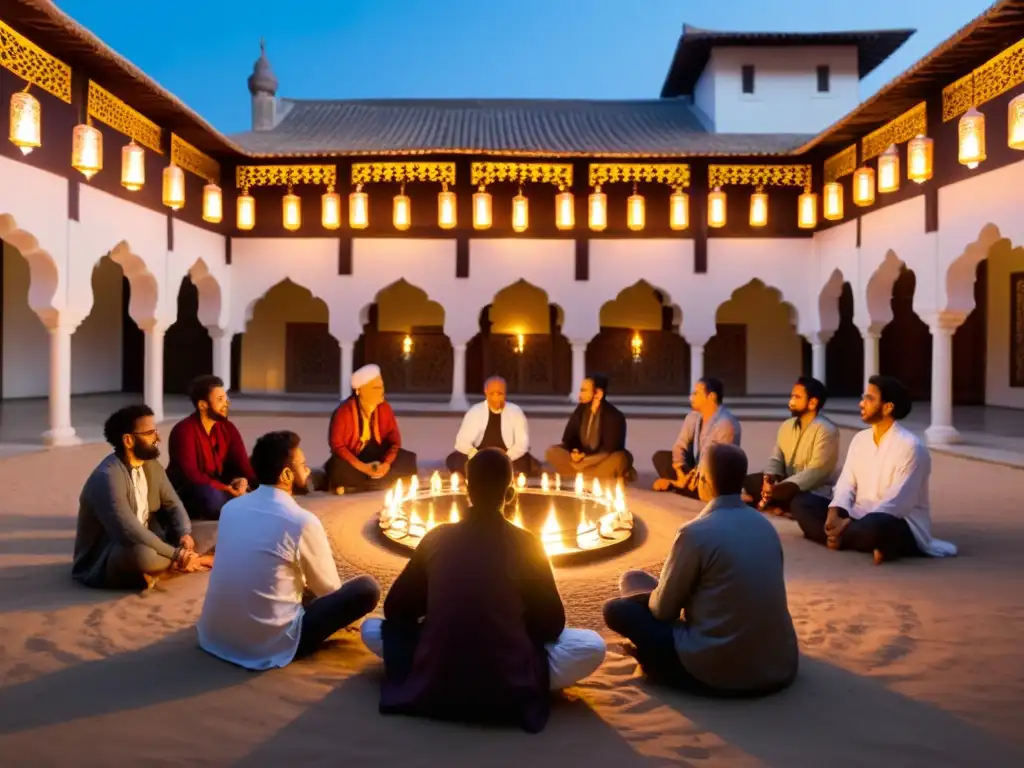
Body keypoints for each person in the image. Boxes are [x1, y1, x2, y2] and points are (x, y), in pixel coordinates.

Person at [361, 448, 606, 733]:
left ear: (467, 489)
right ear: (511, 493)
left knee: (372, 629)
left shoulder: (435, 537)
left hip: (439, 673)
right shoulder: (529, 543)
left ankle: (440, 665)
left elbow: (396, 610)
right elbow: (552, 625)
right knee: (591, 646)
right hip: (508, 676)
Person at [604, 443, 798, 697]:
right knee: (634, 579)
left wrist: (648, 597)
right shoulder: (765, 526)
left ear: (704, 481)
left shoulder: (695, 532)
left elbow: (663, 612)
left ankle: (663, 667)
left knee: (616, 609)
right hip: (777, 664)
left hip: (716, 670)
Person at [197, 430, 380, 669]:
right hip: (267, 644)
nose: (307, 470)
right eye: (302, 465)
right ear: (286, 474)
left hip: (215, 634)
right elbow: (329, 591)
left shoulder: (231, 508)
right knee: (366, 588)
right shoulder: (301, 521)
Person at [789, 375, 957, 565]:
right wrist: (834, 513)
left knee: (877, 527)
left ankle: (841, 537)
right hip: (855, 516)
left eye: (869, 399)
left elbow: (897, 503)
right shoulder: (860, 439)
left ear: (887, 407)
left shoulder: (911, 447)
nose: (862, 404)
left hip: (896, 522)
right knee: (801, 503)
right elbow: (846, 483)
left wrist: (847, 523)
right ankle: (852, 539)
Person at [73, 404, 216, 590]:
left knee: (207, 530)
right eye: (150, 433)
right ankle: (188, 562)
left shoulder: (152, 466)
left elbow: (172, 503)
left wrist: (183, 534)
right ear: (128, 440)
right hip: (113, 553)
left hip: (154, 541)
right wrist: (177, 555)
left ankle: (171, 565)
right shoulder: (106, 478)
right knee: (142, 555)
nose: (158, 438)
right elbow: (131, 532)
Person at [741, 376, 840, 516]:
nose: (791, 402)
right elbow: (776, 458)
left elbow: (815, 474)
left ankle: (774, 502)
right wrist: (768, 479)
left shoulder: (826, 431)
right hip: (784, 484)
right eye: (791, 396)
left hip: (810, 490)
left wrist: (781, 488)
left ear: (812, 403)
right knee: (750, 481)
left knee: (800, 502)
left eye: (797, 397)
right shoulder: (787, 426)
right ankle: (774, 500)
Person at [167, 374, 257, 520]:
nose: (226, 403)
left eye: (226, 398)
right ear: (203, 405)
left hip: (223, 487)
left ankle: (239, 504)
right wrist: (226, 488)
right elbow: (192, 476)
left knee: (258, 486)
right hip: (192, 490)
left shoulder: (228, 428)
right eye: (220, 399)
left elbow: (243, 464)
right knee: (210, 497)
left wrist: (245, 481)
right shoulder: (184, 430)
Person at [324, 364, 418, 494]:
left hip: (378, 456)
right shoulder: (343, 411)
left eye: (382, 387)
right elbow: (337, 445)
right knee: (338, 469)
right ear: (359, 391)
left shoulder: (384, 408)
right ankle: (377, 482)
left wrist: (386, 463)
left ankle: (360, 485)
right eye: (375, 388)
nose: (381, 391)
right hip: (354, 458)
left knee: (408, 459)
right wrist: (363, 467)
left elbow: (394, 441)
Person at [652, 377, 740, 498]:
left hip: (712, 476)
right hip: (695, 470)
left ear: (711, 397)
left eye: (696, 394)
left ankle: (681, 488)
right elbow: (679, 446)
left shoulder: (726, 424)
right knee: (660, 458)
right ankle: (683, 487)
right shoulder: (693, 417)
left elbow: (716, 466)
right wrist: (680, 471)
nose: (691, 398)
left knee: (712, 482)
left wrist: (681, 481)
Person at [544, 373, 634, 481]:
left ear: (598, 394)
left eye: (584, 390)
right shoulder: (580, 410)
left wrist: (585, 458)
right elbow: (570, 436)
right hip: (580, 460)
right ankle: (590, 476)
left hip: (600, 460)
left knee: (620, 459)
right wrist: (575, 451)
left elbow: (610, 449)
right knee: (552, 452)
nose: (580, 394)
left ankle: (577, 475)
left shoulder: (614, 416)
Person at [446, 375, 540, 477]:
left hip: (507, 457)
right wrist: (477, 456)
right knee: (455, 459)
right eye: (492, 393)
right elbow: (461, 442)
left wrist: (505, 458)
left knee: (523, 463)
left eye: (499, 393)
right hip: (479, 456)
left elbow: (522, 445)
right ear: (485, 392)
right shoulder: (475, 411)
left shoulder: (516, 412)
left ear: (505, 393)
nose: (496, 397)